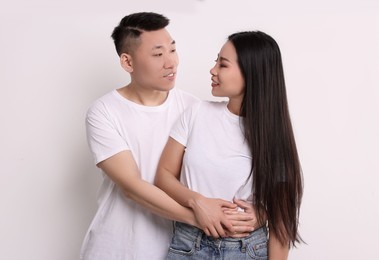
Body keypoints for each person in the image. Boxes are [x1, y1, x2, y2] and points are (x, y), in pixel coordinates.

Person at [80, 12, 258, 260]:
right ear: (127, 62)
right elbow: (132, 187)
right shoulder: (104, 112)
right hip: (116, 248)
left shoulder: (194, 108)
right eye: (157, 54)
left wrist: (258, 214)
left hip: (183, 250)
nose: (171, 63)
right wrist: (198, 214)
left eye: (172, 50)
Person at [155, 31, 304, 259]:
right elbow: (164, 176)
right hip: (189, 244)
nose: (213, 70)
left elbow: (281, 224)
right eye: (216, 61)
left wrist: (263, 213)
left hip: (245, 250)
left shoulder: (274, 135)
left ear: (251, 73)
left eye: (222, 65)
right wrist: (197, 202)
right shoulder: (196, 113)